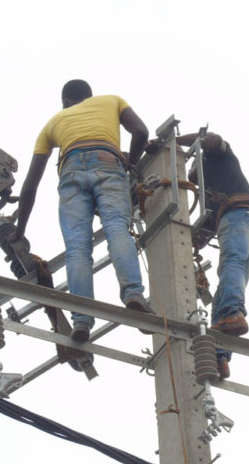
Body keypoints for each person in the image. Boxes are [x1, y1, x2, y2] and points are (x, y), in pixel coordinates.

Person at [9, 79, 152, 343]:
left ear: (65, 101)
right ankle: (133, 294)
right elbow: (141, 132)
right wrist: (130, 163)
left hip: (71, 172)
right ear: (90, 96)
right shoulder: (112, 100)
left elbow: (30, 185)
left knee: (77, 248)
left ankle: (82, 320)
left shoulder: (53, 122)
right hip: (108, 163)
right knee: (117, 229)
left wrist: (19, 230)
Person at [176, 132, 249, 379]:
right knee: (228, 283)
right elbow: (205, 233)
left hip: (242, 215)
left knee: (231, 265)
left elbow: (212, 139)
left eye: (193, 168)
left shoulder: (219, 156)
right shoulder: (208, 194)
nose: (192, 176)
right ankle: (220, 355)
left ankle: (231, 314)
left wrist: (173, 142)